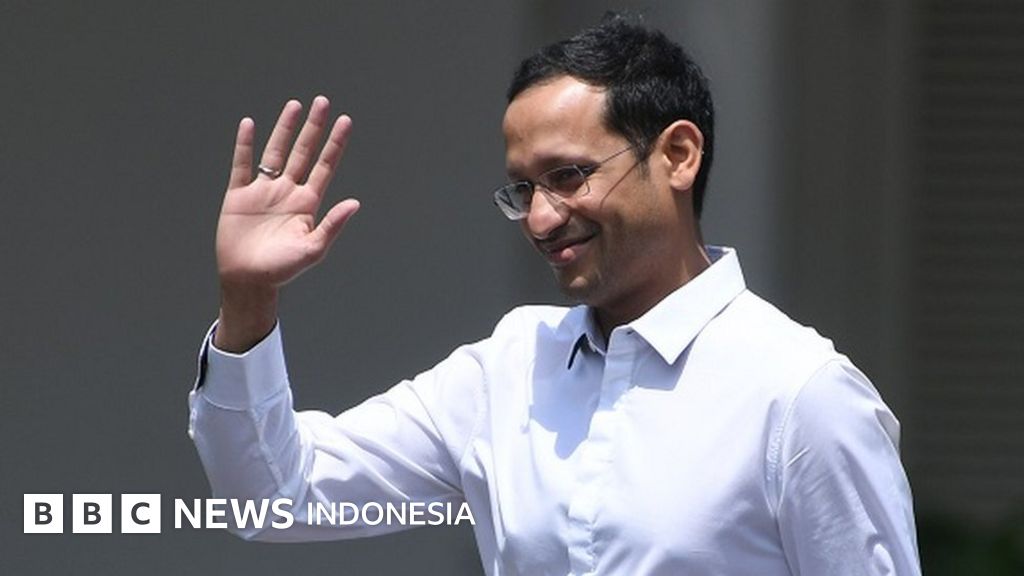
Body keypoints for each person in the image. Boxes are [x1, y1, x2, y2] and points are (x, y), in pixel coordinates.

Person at [189, 14, 921, 575]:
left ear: (677, 155)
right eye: (522, 189)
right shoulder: (509, 368)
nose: (540, 219)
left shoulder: (799, 394)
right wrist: (248, 297)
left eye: (569, 176)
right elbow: (277, 498)